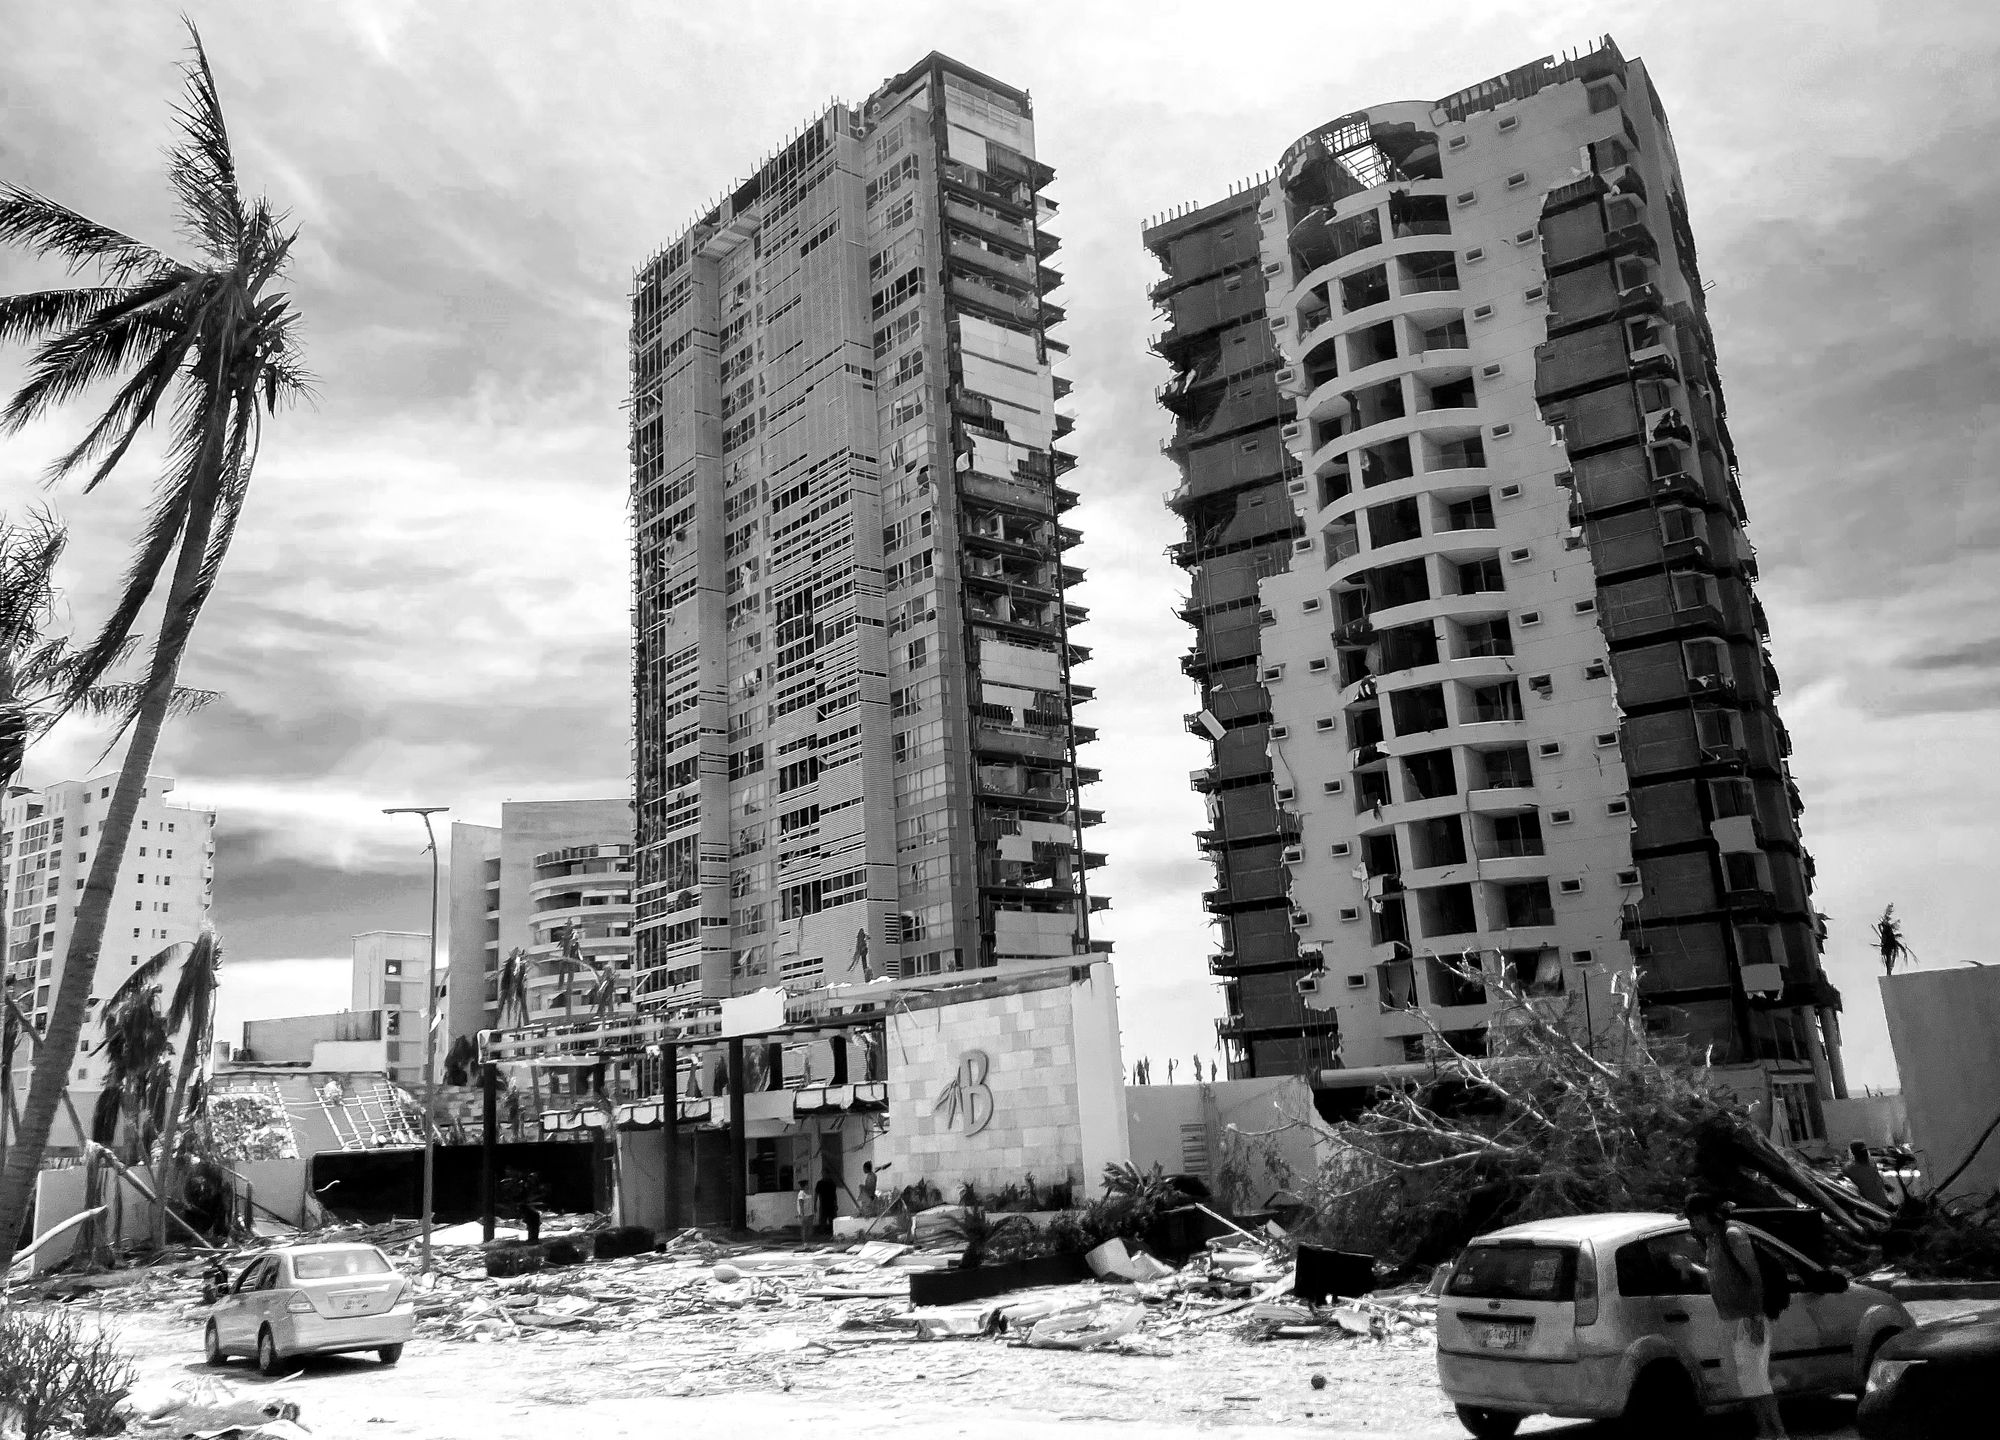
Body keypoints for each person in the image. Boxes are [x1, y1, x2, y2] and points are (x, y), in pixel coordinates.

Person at [1685, 1192, 1786, 1440]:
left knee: (1757, 1381)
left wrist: (1754, 1316)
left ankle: (1778, 1433)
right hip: (1731, 1319)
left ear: (1706, 1215)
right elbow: (1718, 1277)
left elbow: (1754, 1278)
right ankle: (1765, 1431)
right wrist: (1691, 1269)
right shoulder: (1713, 1240)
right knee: (1745, 1382)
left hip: (1748, 1318)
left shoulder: (1733, 1235)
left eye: (1695, 1218)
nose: (1693, 1224)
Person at [1840, 1140, 1891, 1208]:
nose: (1864, 1154)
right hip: (1868, 1207)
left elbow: (1876, 1177)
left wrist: (1885, 1185)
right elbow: (1846, 1186)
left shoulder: (1871, 1163)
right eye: (1861, 1152)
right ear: (1855, 1153)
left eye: (1865, 1151)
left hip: (1883, 1203)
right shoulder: (1849, 1169)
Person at [814, 1166, 840, 1235]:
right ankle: (822, 1236)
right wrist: (815, 1205)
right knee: (822, 1222)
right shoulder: (819, 1183)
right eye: (822, 1173)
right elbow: (816, 1194)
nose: (823, 1174)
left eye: (824, 1173)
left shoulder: (832, 1183)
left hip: (831, 1205)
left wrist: (836, 1204)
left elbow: (835, 1195)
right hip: (823, 1205)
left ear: (828, 1174)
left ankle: (834, 1234)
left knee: (833, 1221)